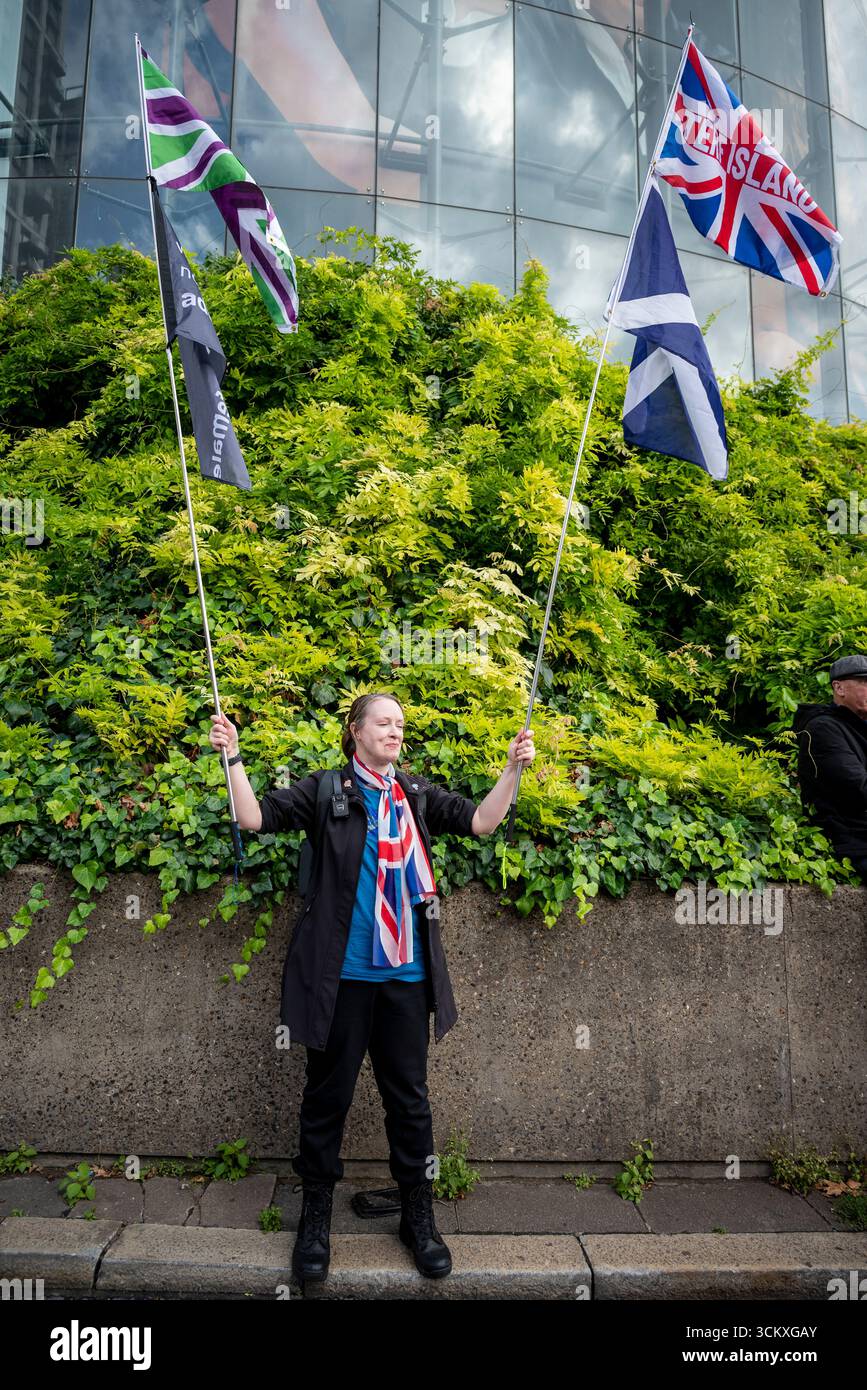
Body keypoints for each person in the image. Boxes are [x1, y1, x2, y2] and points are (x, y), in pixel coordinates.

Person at [208, 691, 535, 1283]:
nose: (395, 730)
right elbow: (255, 818)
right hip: (342, 980)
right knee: (325, 1099)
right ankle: (315, 1219)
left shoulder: (414, 794)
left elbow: (482, 822)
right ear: (355, 731)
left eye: (400, 724)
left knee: (409, 1102)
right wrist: (232, 758)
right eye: (383, 722)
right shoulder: (326, 790)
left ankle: (418, 1217)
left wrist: (512, 769)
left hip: (406, 979)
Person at [793, 653, 867, 879]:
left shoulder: (859, 726)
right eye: (865, 683)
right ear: (839, 688)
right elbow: (859, 788)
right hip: (852, 840)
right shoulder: (823, 729)